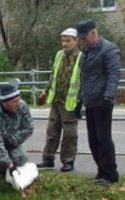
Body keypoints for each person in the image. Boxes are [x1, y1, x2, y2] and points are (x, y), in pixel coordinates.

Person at [75, 18, 121, 186]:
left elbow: (113, 75)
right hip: (90, 101)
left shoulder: (109, 49)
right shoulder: (86, 54)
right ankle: (101, 171)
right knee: (93, 140)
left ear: (93, 33)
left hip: (103, 101)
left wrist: (108, 97)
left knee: (103, 139)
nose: (81, 41)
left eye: (83, 38)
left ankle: (110, 174)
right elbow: (84, 79)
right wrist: (79, 101)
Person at [35, 28, 83, 173]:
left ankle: (68, 161)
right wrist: (45, 91)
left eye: (68, 40)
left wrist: (82, 99)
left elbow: (84, 80)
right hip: (56, 100)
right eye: (63, 40)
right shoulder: (58, 55)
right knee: (52, 131)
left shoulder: (82, 57)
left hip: (70, 102)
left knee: (69, 134)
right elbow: (53, 76)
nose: (64, 44)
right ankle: (48, 159)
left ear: (76, 41)